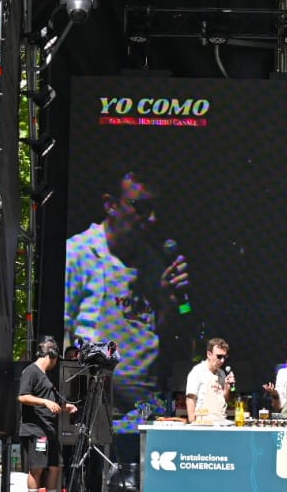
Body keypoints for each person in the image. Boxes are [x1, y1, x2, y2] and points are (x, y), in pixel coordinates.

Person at [64, 170, 192, 432]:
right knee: (94, 471)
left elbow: (162, 331)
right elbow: (59, 331)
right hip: (93, 402)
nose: (152, 218)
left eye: (155, 209)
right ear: (110, 205)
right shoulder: (77, 253)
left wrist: (170, 303)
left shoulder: (153, 263)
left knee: (137, 472)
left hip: (143, 408)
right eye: (141, 207)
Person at [18, 336, 77, 492]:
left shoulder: (45, 375)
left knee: (56, 466)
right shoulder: (31, 371)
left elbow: (50, 401)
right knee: (37, 469)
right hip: (35, 430)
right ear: (51, 356)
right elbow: (22, 396)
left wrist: (65, 407)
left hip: (50, 430)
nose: (56, 363)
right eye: (57, 359)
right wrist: (45, 402)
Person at [185, 337, 235, 424]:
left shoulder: (222, 373)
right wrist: (193, 423)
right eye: (219, 356)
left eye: (224, 357)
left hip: (221, 422)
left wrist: (227, 389)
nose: (222, 360)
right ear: (209, 354)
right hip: (204, 424)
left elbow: (224, 400)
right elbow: (190, 399)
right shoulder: (198, 371)